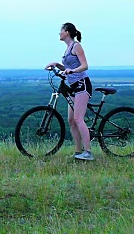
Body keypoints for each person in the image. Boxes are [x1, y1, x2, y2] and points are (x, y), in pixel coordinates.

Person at [46, 22, 94, 161]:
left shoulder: (76, 46)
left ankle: (88, 152)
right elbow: (68, 67)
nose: (59, 33)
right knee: (71, 120)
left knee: (79, 119)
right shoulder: (68, 49)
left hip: (82, 85)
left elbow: (84, 65)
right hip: (73, 86)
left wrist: (72, 70)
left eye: (61, 30)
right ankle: (78, 152)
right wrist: (56, 64)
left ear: (67, 32)